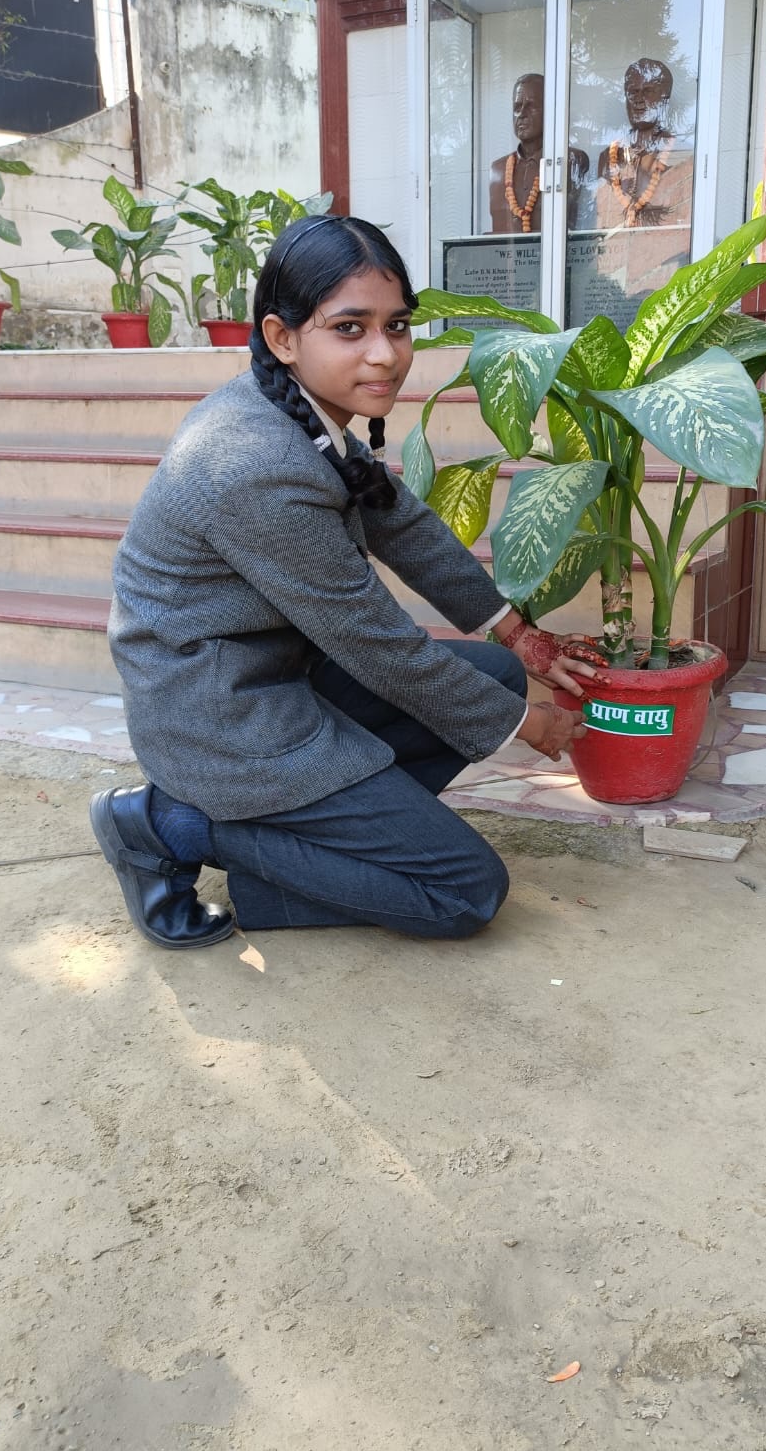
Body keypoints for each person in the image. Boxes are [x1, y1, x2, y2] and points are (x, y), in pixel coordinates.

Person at [90, 214, 607, 950]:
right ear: (282, 337)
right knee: (464, 892)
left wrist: (517, 635)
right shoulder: (256, 466)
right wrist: (525, 725)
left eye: (398, 326)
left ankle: (304, 861)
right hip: (222, 718)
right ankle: (171, 824)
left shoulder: (294, 409)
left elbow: (401, 523)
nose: (385, 354)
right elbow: (378, 644)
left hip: (275, 675)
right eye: (350, 328)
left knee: (492, 675)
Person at [594, 58, 694, 230]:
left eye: (648, 91)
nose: (638, 99)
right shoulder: (609, 157)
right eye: (633, 92)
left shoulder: (682, 155)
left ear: (664, 98)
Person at [487, 72, 588, 234]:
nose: (521, 114)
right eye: (517, 107)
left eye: (530, 106)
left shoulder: (571, 160)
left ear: (550, 111)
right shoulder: (498, 169)